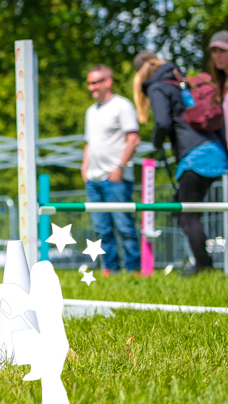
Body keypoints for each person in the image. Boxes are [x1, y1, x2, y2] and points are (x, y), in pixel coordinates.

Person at [135, 53, 227, 275]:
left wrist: (156, 142)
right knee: (186, 208)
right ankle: (203, 262)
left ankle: (205, 267)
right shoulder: (182, 82)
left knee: (186, 213)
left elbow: (163, 122)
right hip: (215, 150)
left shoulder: (157, 87)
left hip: (195, 157)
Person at [81, 64, 141, 274]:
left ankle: (134, 270)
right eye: (89, 83)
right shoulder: (90, 111)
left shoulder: (122, 106)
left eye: (95, 82)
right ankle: (110, 270)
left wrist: (120, 168)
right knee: (102, 229)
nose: (91, 87)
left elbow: (133, 139)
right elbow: (89, 143)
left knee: (124, 227)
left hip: (116, 178)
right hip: (93, 179)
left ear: (108, 81)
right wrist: (84, 168)